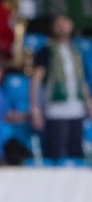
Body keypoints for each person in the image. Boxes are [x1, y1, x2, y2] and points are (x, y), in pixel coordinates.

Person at [31, 14, 92, 160]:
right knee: (56, 155)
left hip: (77, 109)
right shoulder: (46, 51)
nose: (62, 26)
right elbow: (36, 79)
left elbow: (81, 80)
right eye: (59, 23)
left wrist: (89, 103)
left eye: (66, 23)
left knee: (76, 156)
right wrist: (35, 107)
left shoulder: (76, 52)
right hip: (56, 110)